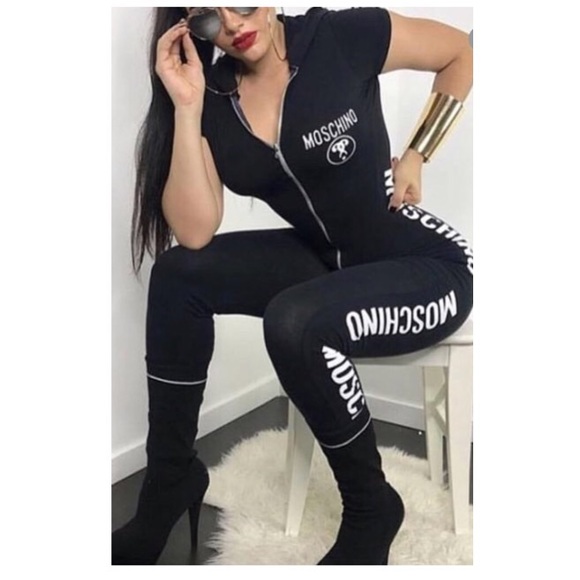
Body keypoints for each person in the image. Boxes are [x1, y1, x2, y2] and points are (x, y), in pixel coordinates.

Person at [112, 6, 473, 565]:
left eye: (243, 4)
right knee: (178, 275)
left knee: (296, 321)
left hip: (423, 265)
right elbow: (195, 230)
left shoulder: (341, 36)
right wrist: (186, 107)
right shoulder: (214, 96)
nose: (233, 25)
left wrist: (417, 153)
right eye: (210, 16)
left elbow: (461, 52)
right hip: (325, 260)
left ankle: (372, 507)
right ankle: (170, 479)